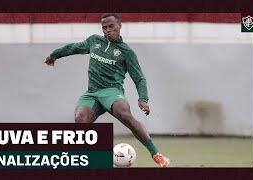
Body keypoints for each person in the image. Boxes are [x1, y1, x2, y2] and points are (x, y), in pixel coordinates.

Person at [45, 13, 170, 167]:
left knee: (124, 113)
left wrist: (143, 99)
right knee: (80, 118)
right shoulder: (94, 41)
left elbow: (139, 78)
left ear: (119, 26)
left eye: (111, 27)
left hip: (112, 92)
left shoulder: (126, 52)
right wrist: (54, 55)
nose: (108, 30)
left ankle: (156, 154)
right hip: (92, 93)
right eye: (104, 27)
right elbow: (74, 47)